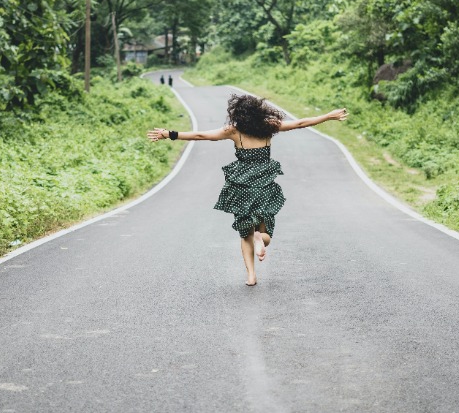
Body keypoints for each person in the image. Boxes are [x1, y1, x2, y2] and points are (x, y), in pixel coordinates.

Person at [148, 93, 348, 286]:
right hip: (264, 182)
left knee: (245, 235)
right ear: (259, 111)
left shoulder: (233, 131)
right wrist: (329, 116)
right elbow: (301, 123)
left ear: (238, 113)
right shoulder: (269, 126)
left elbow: (202, 135)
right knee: (265, 231)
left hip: (242, 185)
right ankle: (261, 238)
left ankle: (251, 275)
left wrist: (169, 134)